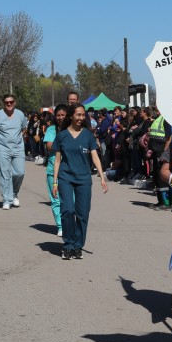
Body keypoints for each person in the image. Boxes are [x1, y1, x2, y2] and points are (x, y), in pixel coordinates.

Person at [51, 103, 108, 260]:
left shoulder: (88, 135)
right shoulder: (62, 135)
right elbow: (57, 160)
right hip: (65, 177)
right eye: (78, 115)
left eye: (83, 115)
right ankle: (68, 245)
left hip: (83, 179)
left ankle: (78, 246)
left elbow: (95, 156)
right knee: (68, 210)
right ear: (71, 116)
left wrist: (102, 177)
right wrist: (55, 182)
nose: (81, 118)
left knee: (82, 214)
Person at [0, 94, 28, 209]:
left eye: (11, 102)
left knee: (19, 172)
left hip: (18, 147)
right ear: (3, 103)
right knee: (4, 173)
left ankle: (14, 193)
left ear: (15, 102)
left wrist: (19, 137)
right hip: (2, 148)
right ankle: (7, 199)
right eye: (7, 102)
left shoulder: (20, 114)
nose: (9, 104)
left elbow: (24, 127)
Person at [44, 104, 68, 236]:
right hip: (53, 169)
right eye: (58, 115)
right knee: (56, 199)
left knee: (70, 200)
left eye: (63, 115)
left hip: (69, 169)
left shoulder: (73, 129)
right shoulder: (51, 129)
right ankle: (60, 226)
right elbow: (49, 146)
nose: (60, 117)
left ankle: (69, 223)